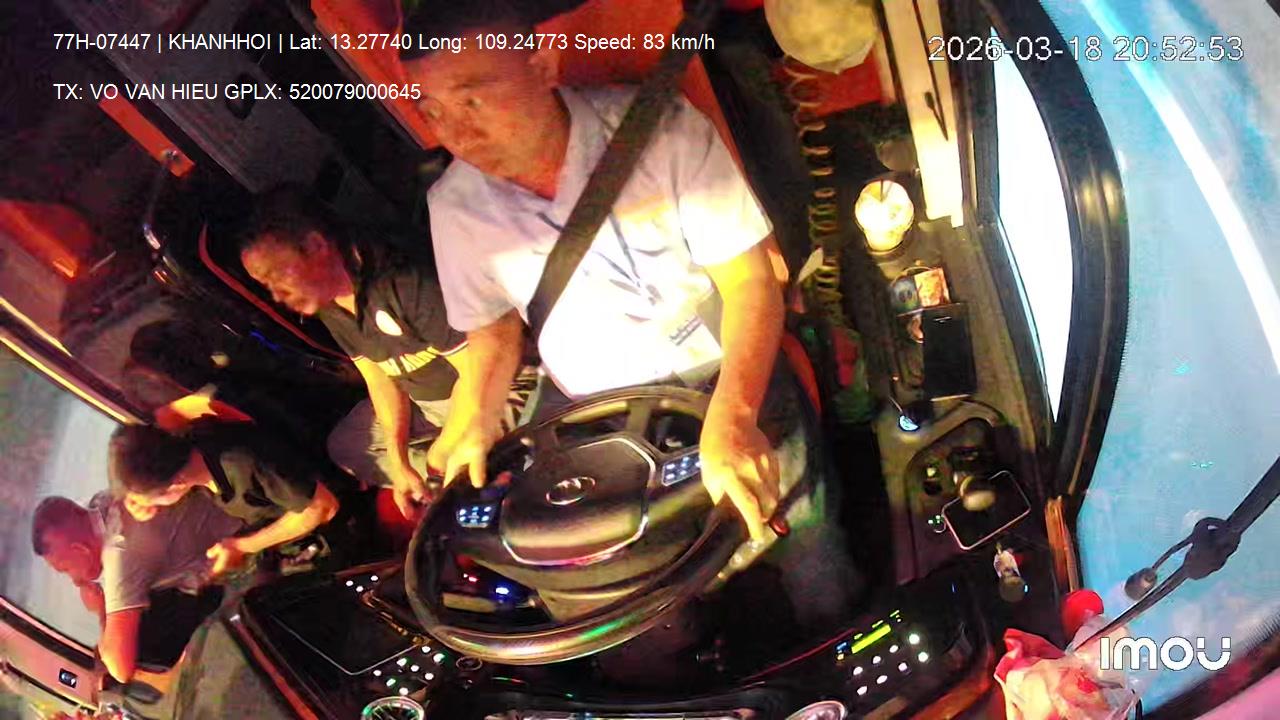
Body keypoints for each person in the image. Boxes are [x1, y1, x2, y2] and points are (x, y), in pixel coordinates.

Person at [401, 2, 788, 541]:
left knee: (788, 531)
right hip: (590, 413)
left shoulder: (660, 132)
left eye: (472, 100)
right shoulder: (453, 207)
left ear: (541, 64)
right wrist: (476, 419)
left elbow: (749, 280)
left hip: (720, 376)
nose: (458, 136)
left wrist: (736, 416)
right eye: (433, 112)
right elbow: (492, 330)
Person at [238, 190, 469, 518]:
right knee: (346, 446)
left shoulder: (402, 280)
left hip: (491, 389)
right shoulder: (330, 305)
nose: (276, 295)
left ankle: (456, 472)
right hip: (426, 404)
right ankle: (446, 473)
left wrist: (436, 458)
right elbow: (379, 379)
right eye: (265, 284)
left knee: (462, 452)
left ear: (316, 245)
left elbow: (479, 374)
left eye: (277, 275)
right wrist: (399, 461)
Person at [31, 493, 242, 682]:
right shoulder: (103, 503)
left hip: (236, 551)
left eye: (66, 569)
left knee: (141, 649)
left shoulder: (119, 553)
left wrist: (101, 611)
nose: (74, 581)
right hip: (230, 518)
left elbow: (120, 670)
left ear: (80, 550)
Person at [108, 423, 339, 575]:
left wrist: (242, 546)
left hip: (333, 536)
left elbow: (322, 507)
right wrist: (148, 501)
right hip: (290, 545)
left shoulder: (241, 463)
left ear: (175, 484)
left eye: (155, 498)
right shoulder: (194, 449)